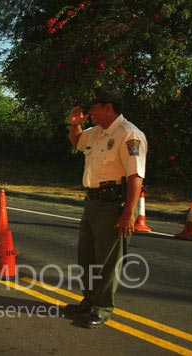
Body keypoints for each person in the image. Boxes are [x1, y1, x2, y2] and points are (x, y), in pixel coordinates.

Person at [67, 86, 148, 328]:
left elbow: (136, 177)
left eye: (94, 106)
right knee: (87, 256)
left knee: (109, 261)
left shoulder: (129, 135)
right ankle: (90, 299)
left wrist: (128, 214)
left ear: (108, 108)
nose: (90, 111)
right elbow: (77, 142)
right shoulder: (95, 133)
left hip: (115, 205)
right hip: (92, 202)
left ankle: (102, 307)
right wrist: (74, 125)